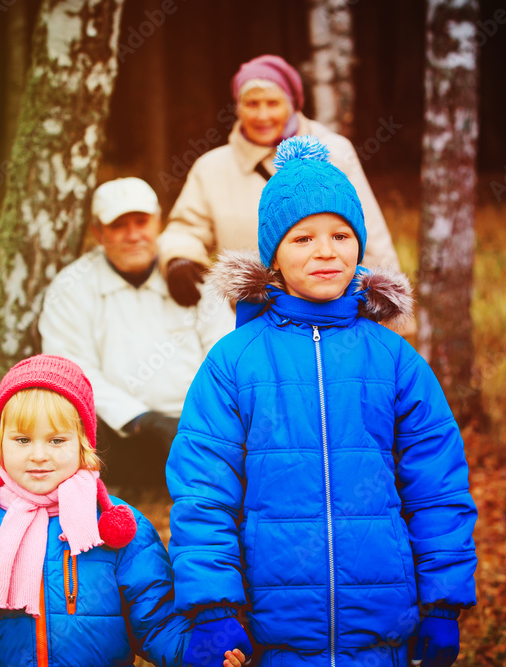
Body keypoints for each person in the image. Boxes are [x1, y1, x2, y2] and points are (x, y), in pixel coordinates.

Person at [167, 137, 478, 667]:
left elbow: (437, 486)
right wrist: (214, 606)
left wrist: (443, 601)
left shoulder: (394, 360)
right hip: (273, 631)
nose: (326, 251)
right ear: (273, 256)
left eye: (340, 234)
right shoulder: (235, 362)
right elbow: (203, 493)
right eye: (302, 237)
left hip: (381, 628)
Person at [0, 354, 199, 666]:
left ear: (83, 444)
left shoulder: (117, 528)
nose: (38, 455)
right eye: (22, 440)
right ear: (0, 444)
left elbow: (157, 623)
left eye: (56, 440)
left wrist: (202, 654)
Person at [160, 54, 402, 309]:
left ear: (293, 104)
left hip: (331, 315)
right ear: (237, 108)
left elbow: (368, 231)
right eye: (252, 104)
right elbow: (185, 228)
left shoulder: (334, 152)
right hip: (249, 318)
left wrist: (384, 302)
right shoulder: (212, 168)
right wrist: (179, 257)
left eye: (272, 103)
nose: (262, 115)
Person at [39, 177, 234, 489]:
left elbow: (222, 352)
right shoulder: (72, 287)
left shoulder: (192, 276)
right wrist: (143, 420)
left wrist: (197, 418)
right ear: (98, 232)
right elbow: (73, 370)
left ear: (159, 223)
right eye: (119, 225)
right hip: (118, 434)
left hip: (198, 424)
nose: (133, 236)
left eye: (141, 222)